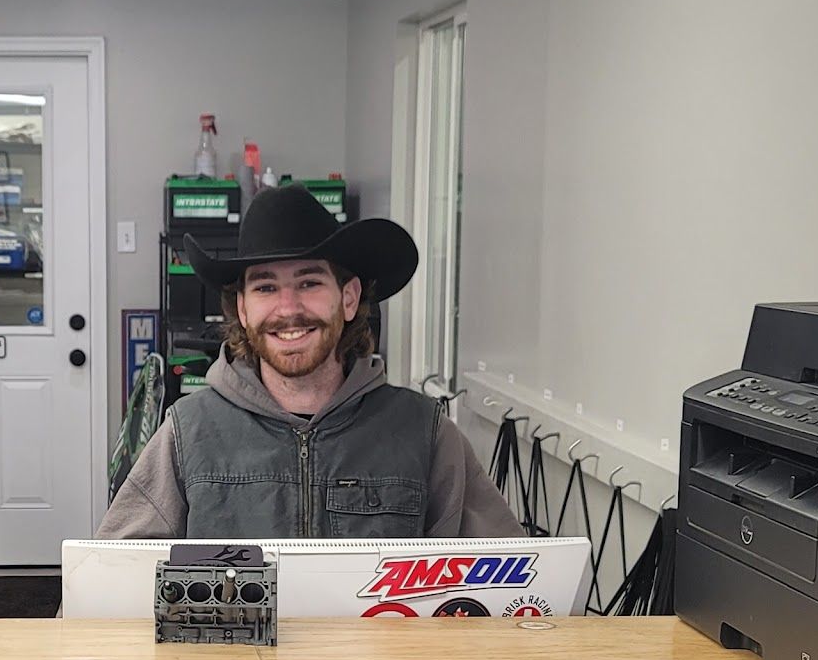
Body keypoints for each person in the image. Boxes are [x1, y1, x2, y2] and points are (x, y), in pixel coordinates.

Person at [99, 182, 520, 539]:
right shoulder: (187, 434)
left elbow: (512, 579)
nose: (288, 309)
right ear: (243, 311)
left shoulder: (426, 434)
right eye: (265, 288)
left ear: (349, 298)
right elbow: (107, 579)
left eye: (309, 282)